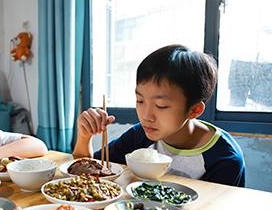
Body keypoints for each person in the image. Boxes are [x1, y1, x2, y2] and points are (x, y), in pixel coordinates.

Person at [73, 44, 245, 187]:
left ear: (194, 110)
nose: (146, 116)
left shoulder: (224, 158)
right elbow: (87, 170)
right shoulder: (140, 135)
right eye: (140, 101)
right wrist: (84, 136)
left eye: (161, 106)